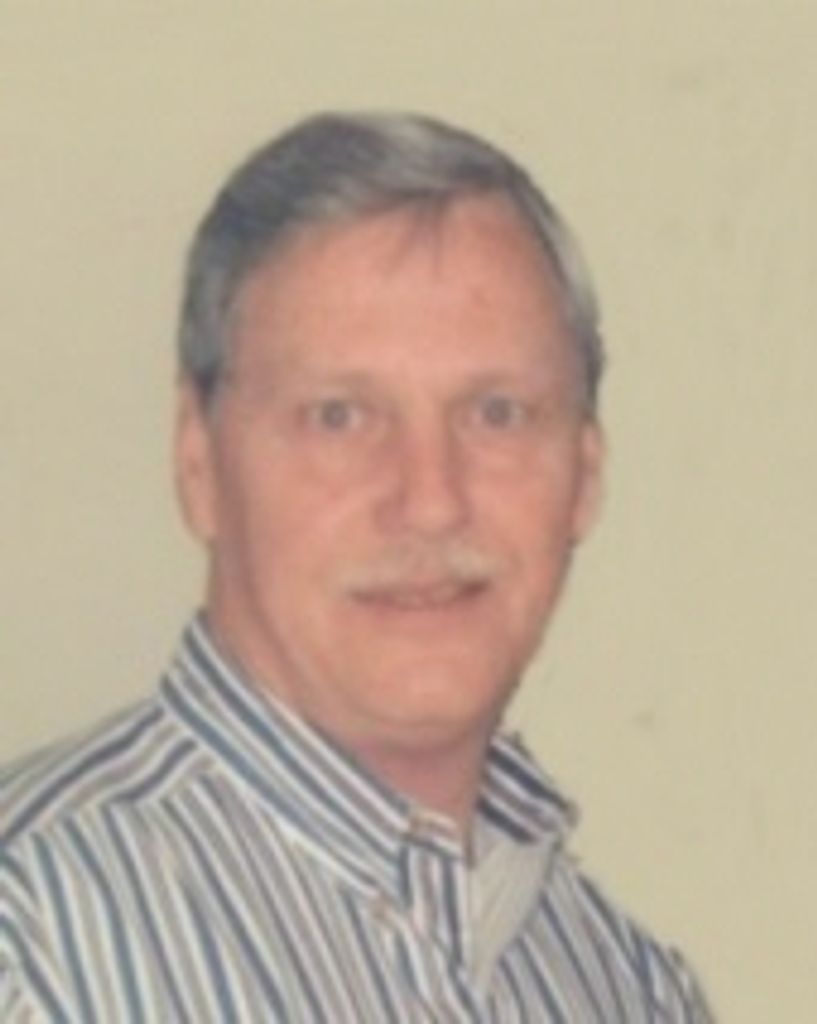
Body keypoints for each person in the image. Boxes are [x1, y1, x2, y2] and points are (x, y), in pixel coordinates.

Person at [0, 112, 712, 1022]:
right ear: (197, 462)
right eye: (338, 417)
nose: (429, 499)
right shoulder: (32, 942)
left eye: (496, 413)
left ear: (585, 474)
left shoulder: (627, 986)